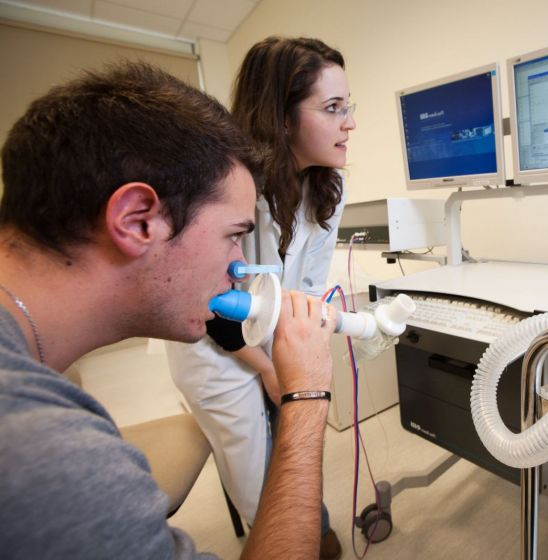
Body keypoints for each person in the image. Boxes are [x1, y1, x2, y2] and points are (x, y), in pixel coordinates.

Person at [0, 61, 336, 559]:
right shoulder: (47, 456)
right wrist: (307, 395)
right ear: (137, 221)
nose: (240, 269)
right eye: (233, 238)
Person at [165, 37, 355, 559]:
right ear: (284, 118)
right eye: (333, 108)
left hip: (270, 332)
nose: (350, 123)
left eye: (348, 107)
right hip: (215, 350)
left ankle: (310, 526)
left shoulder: (328, 186)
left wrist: (303, 347)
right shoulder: (228, 190)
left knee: (293, 444)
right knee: (257, 479)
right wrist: (272, 372)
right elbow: (211, 308)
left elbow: (308, 287)